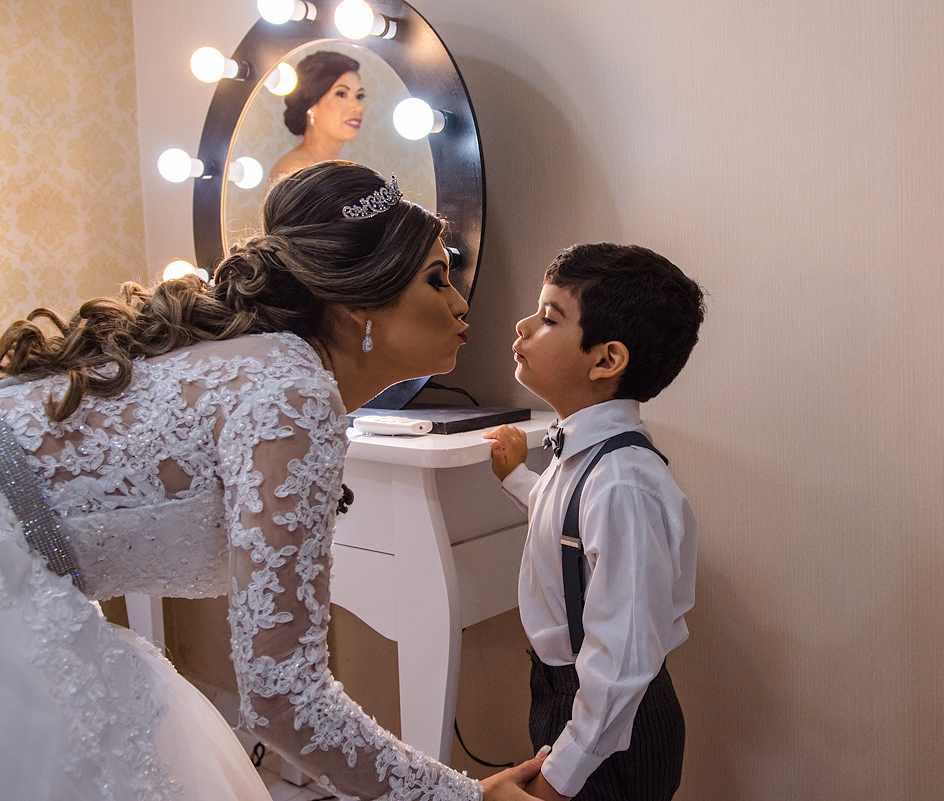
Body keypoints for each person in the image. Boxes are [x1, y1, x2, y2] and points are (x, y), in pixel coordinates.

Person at [0, 161, 546, 801]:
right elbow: (282, 693)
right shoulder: (292, 393)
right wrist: (463, 797)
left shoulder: (269, 368)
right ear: (356, 304)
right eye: (436, 279)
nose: (460, 305)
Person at [482, 244, 706, 801]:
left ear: (606, 360)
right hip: (570, 699)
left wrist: (560, 779)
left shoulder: (622, 483)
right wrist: (518, 480)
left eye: (550, 317)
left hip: (611, 723)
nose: (523, 324)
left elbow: (623, 659)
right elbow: (570, 532)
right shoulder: (587, 458)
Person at [270, 51, 366, 181]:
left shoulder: (328, 166)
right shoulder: (300, 170)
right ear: (311, 104)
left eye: (359, 96)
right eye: (342, 94)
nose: (357, 107)